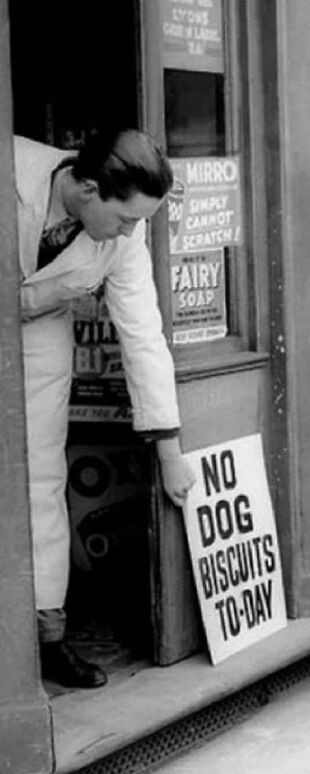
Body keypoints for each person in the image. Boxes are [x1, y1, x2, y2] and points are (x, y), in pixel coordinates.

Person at [16, 129, 196, 689]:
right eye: (124, 219)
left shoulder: (122, 241)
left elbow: (144, 336)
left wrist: (169, 449)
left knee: (42, 478)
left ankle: (46, 638)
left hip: (39, 341)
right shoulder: (11, 164)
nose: (130, 233)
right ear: (88, 188)